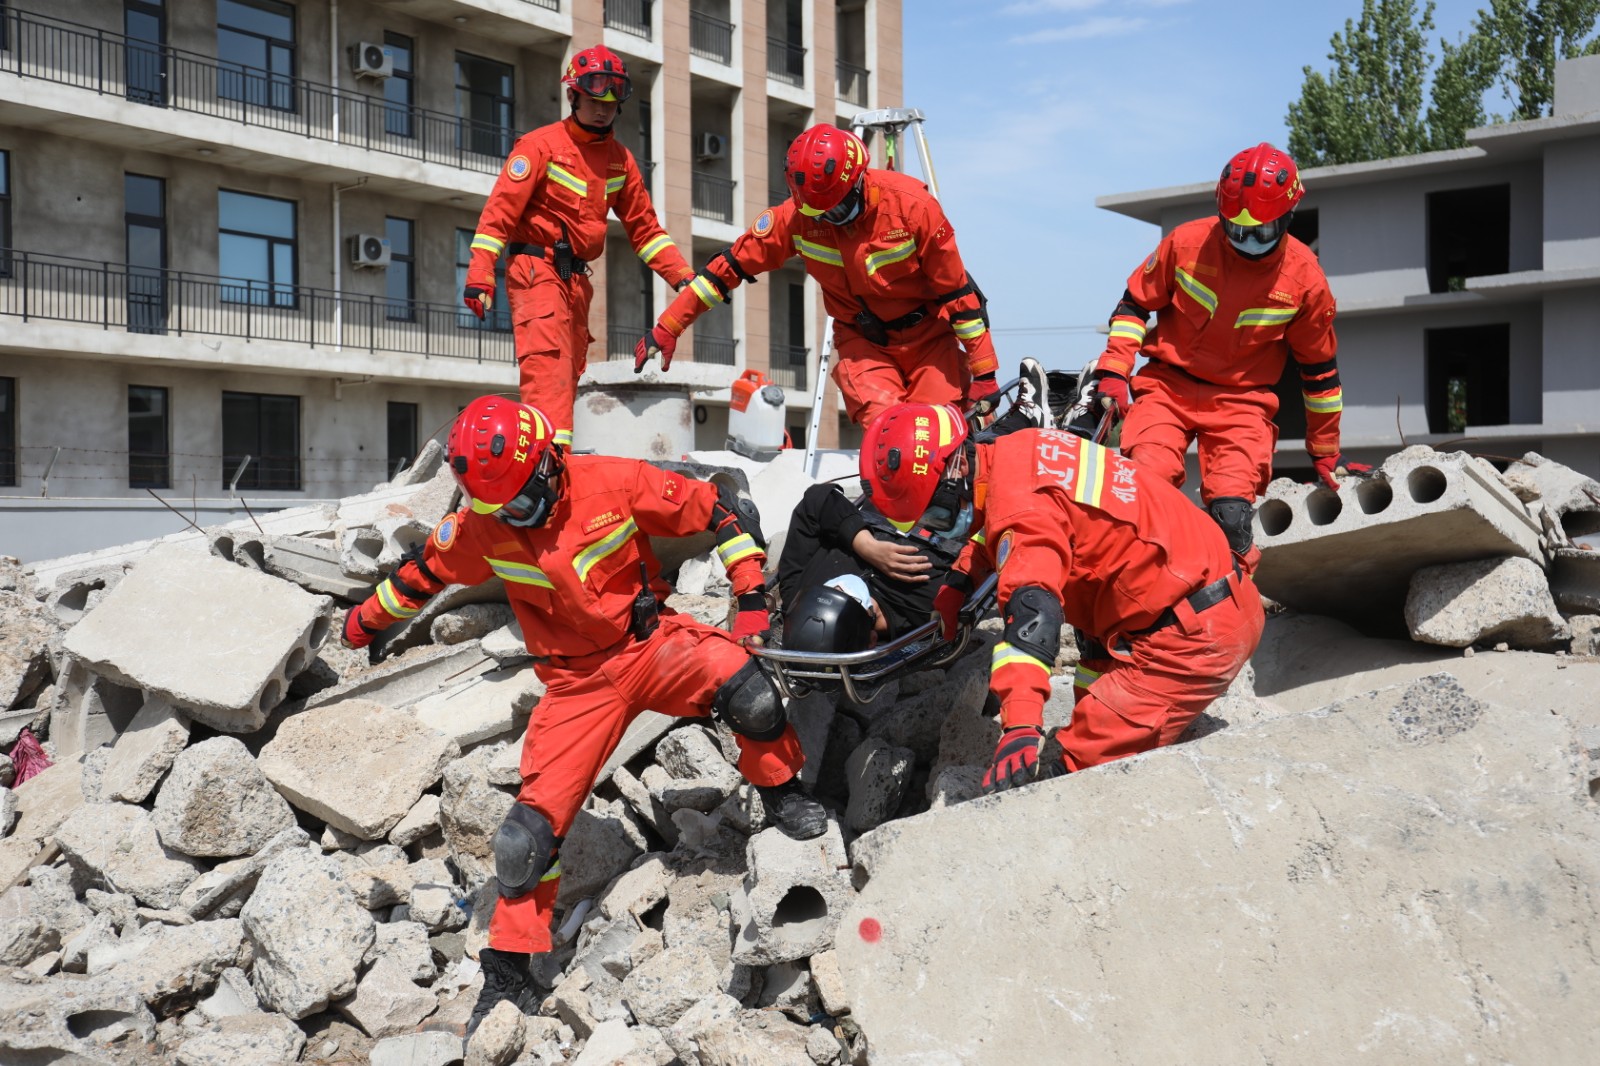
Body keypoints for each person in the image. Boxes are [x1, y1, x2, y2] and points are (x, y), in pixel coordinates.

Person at [339, 396, 826, 1033]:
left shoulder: (613, 482)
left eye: (523, 499)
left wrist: (752, 600)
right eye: (502, 507)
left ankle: (782, 791)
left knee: (754, 697)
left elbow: (724, 509)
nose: (516, 514)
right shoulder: (484, 525)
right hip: (575, 685)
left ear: (549, 461)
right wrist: (362, 623)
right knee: (522, 842)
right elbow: (423, 573)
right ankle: (510, 971)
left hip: (651, 646)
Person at [861, 402, 1265, 793]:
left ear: (957, 469)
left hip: (1194, 636)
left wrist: (1020, 724)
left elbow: (1033, 618)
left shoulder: (1023, 511)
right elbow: (1001, 522)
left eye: (936, 515)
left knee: (1079, 774)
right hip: (1176, 599)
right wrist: (960, 581)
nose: (938, 528)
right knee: (1088, 698)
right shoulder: (1017, 451)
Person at [1082, 142, 1370, 569]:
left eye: (1261, 232)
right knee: (1145, 488)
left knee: (1232, 516)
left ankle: (1227, 601)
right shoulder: (1186, 244)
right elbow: (1133, 306)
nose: (1247, 241)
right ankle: (1134, 592)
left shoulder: (1305, 280)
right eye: (1236, 229)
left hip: (1242, 402)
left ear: (1288, 217)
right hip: (1168, 388)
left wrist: (1325, 451)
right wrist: (1114, 370)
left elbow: (1320, 372)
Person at [633, 124, 1001, 427]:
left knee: (937, 434)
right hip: (864, 342)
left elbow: (958, 295)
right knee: (889, 431)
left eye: (837, 209)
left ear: (858, 181)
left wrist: (984, 374)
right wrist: (669, 326)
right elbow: (724, 271)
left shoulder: (912, 208)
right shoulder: (797, 218)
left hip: (929, 340)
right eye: (819, 212)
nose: (829, 219)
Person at [464, 45, 695, 449]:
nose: (603, 111)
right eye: (594, 102)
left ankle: (553, 462)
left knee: (567, 379)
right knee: (548, 375)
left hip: (576, 284)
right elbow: (498, 214)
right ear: (573, 95)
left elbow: (646, 231)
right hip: (537, 272)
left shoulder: (620, 162)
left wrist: (685, 278)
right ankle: (549, 468)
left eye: (610, 104)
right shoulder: (539, 147)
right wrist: (480, 272)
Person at [776, 360, 1050, 648]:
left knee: (941, 455)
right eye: (849, 599)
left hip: (892, 506)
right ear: (871, 638)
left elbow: (817, 501)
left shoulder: (800, 599)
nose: (840, 587)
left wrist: (866, 546)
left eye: (833, 590)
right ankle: (1028, 423)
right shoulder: (922, 613)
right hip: (954, 522)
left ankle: (1016, 423)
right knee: (976, 467)